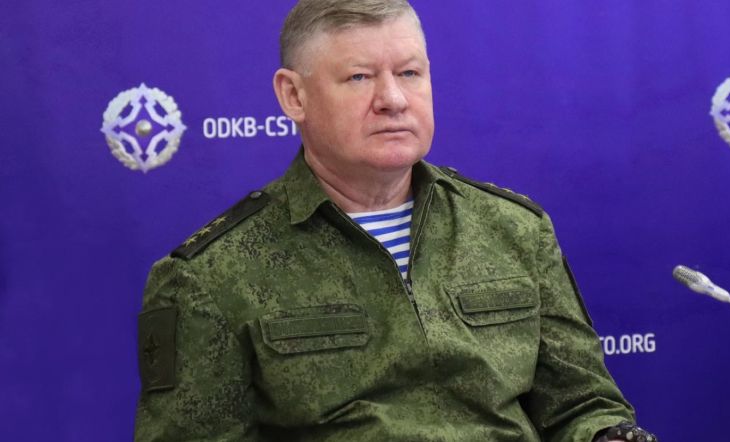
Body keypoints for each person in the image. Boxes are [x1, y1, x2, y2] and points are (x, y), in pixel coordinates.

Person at [134, 1, 656, 441]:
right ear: (294, 96)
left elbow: (582, 405)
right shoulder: (208, 276)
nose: (393, 99)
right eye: (359, 77)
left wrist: (607, 435)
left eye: (409, 73)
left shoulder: (515, 229)